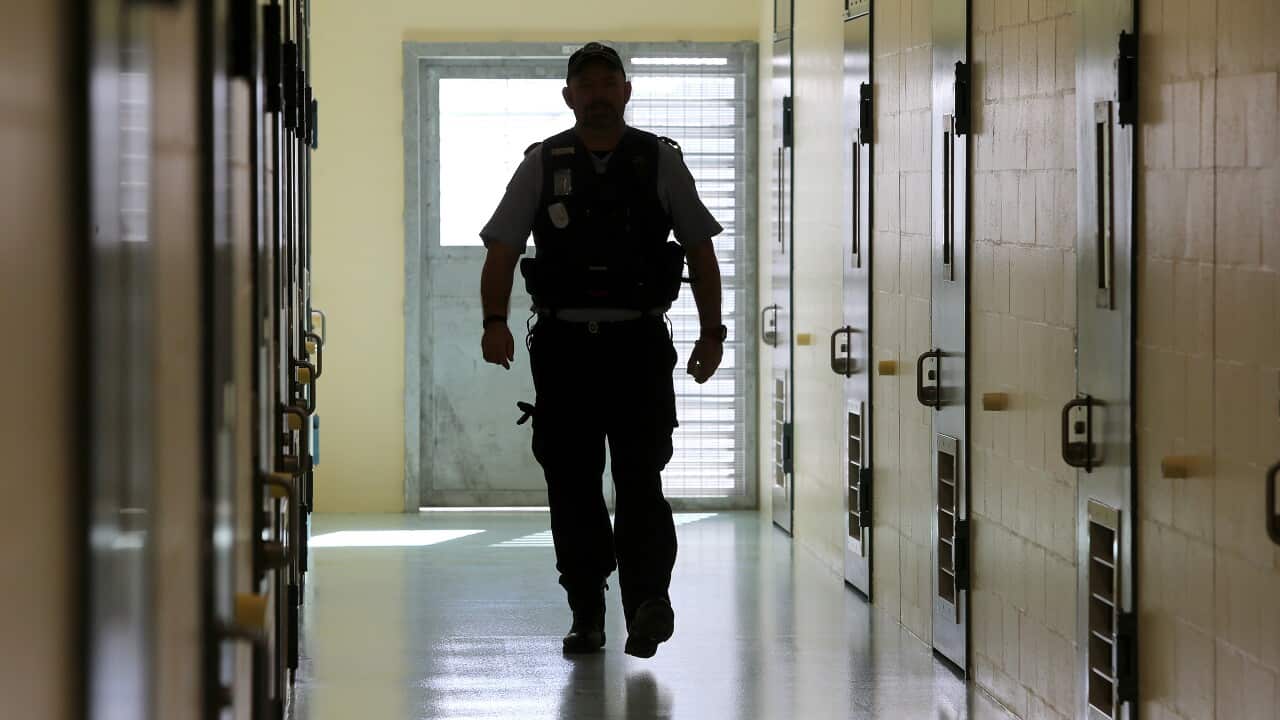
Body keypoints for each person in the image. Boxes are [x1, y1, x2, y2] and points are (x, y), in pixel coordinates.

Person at [477, 42, 726, 659]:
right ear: (569, 97)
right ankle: (586, 610)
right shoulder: (544, 162)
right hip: (564, 348)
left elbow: (699, 250)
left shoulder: (658, 161)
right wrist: (493, 321)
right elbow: (503, 249)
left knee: (641, 479)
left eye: (607, 83)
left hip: (638, 345)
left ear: (625, 91)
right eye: (584, 85)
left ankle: (648, 604)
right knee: (573, 484)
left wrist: (712, 332)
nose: (597, 94)